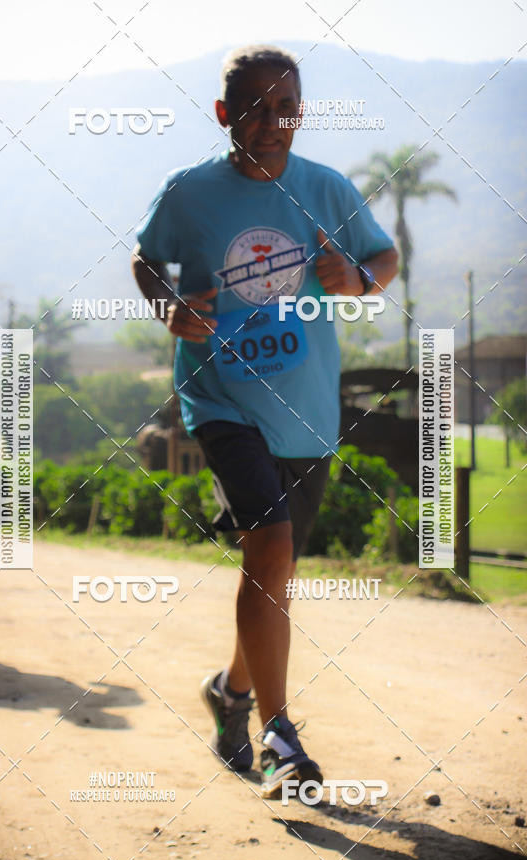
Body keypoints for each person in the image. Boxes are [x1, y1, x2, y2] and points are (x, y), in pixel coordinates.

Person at [132, 46, 398, 798]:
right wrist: (168, 307)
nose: (271, 122)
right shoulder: (189, 193)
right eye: (254, 108)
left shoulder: (325, 187)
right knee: (271, 546)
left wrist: (358, 279)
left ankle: (232, 693)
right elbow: (146, 261)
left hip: (306, 408)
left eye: (285, 108)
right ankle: (282, 738)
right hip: (221, 398)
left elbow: (383, 257)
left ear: (300, 113)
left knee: (274, 568)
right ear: (225, 114)